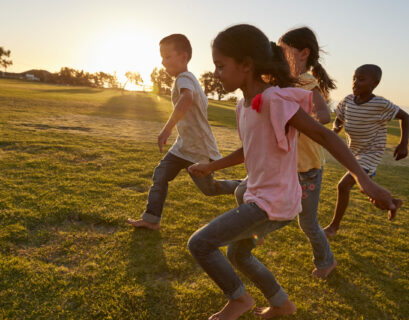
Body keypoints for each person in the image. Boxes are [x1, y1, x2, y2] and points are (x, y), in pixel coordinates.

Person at [187, 24, 398, 320]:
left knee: (200, 243)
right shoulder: (243, 107)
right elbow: (248, 150)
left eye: (221, 66)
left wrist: (364, 182)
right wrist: (210, 166)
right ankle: (282, 305)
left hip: (273, 202)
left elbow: (326, 135)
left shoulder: (275, 100)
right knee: (238, 254)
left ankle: (238, 300)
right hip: (259, 197)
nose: (216, 73)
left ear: (247, 65)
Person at [127, 34, 240, 231]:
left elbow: (186, 98)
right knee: (160, 174)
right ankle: (152, 219)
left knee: (210, 189)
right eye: (161, 57)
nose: (163, 62)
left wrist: (167, 128)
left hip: (198, 150)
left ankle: (246, 187)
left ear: (184, 57)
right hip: (183, 146)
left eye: (168, 57)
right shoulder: (190, 79)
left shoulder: (184, 78)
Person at [323, 64, 407, 238]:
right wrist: (336, 127)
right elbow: (339, 118)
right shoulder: (347, 100)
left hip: (370, 153)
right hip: (354, 153)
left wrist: (403, 143)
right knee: (365, 188)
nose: (355, 82)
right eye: (354, 78)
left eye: (361, 79)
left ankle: (333, 227)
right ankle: (392, 203)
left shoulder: (380, 104)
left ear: (374, 84)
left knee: (343, 186)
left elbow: (405, 117)